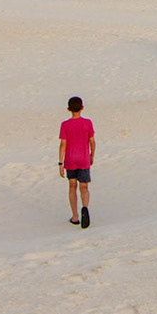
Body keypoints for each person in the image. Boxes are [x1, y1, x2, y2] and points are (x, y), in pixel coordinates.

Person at [58, 96, 96, 229]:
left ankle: (75, 217)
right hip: (83, 158)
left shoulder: (65, 125)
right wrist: (92, 155)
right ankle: (85, 207)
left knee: (72, 187)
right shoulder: (87, 123)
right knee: (84, 187)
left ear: (68, 109)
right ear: (82, 108)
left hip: (70, 159)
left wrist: (60, 163)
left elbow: (63, 144)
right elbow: (92, 141)